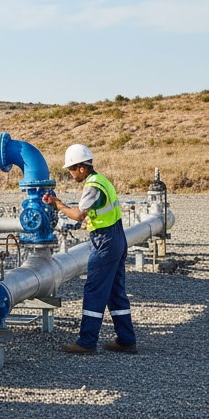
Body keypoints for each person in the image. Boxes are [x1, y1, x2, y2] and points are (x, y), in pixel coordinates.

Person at [43, 144, 137, 355]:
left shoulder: (92, 185)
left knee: (94, 290)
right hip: (116, 237)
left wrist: (57, 204)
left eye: (72, 169)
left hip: (105, 242)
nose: (70, 173)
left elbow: (78, 216)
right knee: (115, 292)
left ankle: (86, 342)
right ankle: (127, 340)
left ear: (82, 168)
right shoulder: (102, 181)